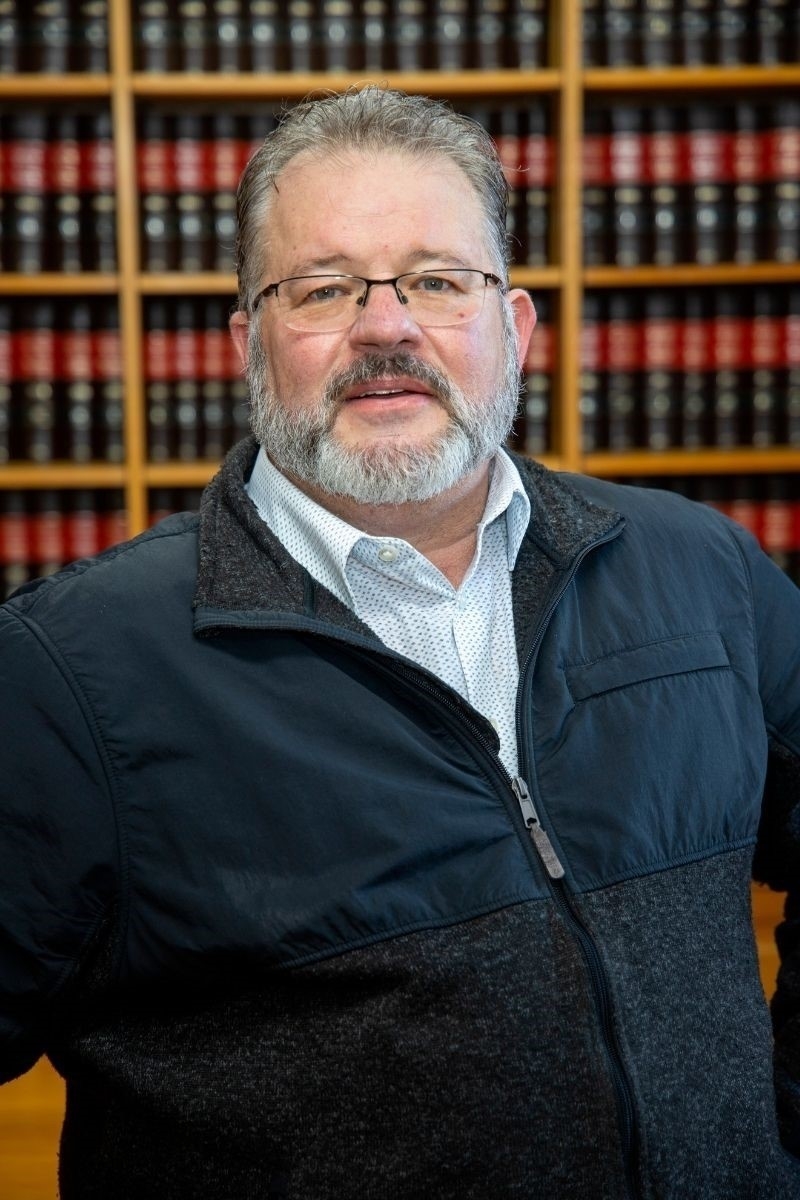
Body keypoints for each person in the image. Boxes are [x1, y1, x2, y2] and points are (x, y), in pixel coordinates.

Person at [1, 85, 799, 1200]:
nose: (386, 327)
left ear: (514, 328)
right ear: (249, 344)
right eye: (323, 288)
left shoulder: (701, 568)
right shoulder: (67, 672)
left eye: (436, 279)